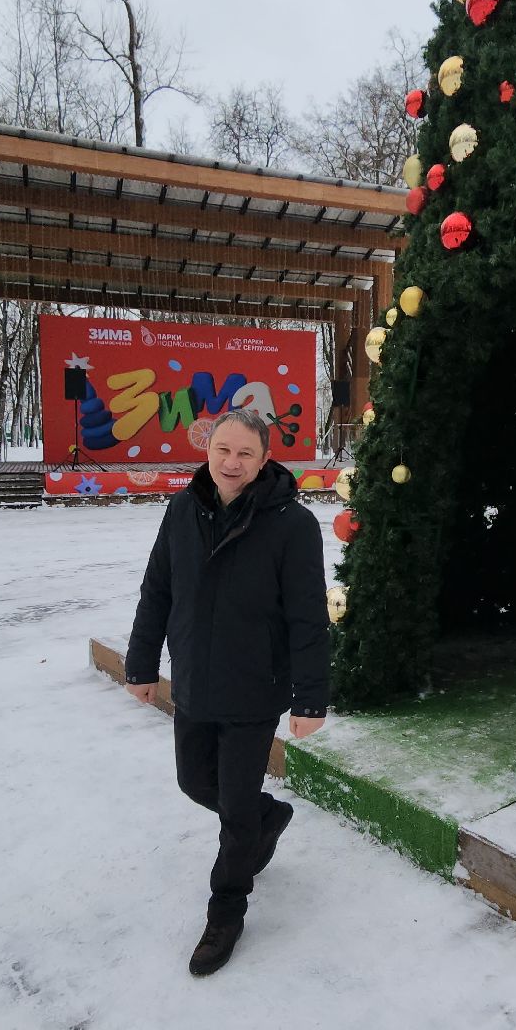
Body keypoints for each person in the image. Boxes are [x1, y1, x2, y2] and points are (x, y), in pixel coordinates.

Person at [123, 407, 330, 977]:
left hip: (255, 687)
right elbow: (157, 590)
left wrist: (311, 696)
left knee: (234, 808)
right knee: (196, 782)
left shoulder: (292, 524)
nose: (232, 463)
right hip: (193, 680)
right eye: (223, 451)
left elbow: (309, 618)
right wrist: (141, 663)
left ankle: (226, 911)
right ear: (207, 451)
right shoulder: (182, 508)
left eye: (245, 453)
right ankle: (268, 818)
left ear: (265, 459)